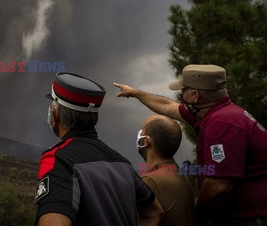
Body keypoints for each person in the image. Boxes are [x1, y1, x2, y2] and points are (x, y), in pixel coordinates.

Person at [114, 64, 267, 225]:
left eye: (183, 90)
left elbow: (219, 187)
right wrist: (136, 93)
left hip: (251, 219)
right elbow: (167, 107)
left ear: (195, 95)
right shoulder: (215, 112)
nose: (181, 94)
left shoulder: (221, 125)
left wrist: (199, 215)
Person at [35, 72, 163, 226]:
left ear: (54, 114)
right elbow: (154, 212)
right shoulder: (123, 163)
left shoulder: (58, 159)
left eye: (51, 107)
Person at [136, 115, 195, 226]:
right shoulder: (178, 173)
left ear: (146, 141)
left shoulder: (149, 182)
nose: (139, 134)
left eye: (142, 130)